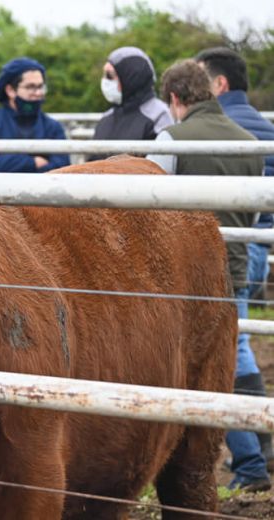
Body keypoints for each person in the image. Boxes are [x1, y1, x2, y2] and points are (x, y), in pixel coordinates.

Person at [146, 59, 270, 491]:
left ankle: (252, 458)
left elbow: (146, 206)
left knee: (211, 361)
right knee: (235, 348)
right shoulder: (248, 140)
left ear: (175, 99)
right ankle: (260, 441)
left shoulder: (171, 138)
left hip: (183, 272)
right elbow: (253, 211)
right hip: (237, 258)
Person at [195, 46, 274, 473]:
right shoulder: (263, 126)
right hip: (258, 244)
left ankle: (255, 449)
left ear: (219, 84)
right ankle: (259, 443)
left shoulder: (221, 127)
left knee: (232, 346)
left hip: (227, 250)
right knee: (237, 341)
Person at [0, 57, 70, 173]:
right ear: (10, 90)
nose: (38, 93)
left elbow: (62, 166)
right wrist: (34, 162)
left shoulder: (52, 126)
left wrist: (10, 164)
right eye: (30, 87)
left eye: (41, 87)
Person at [90, 47, 172, 160]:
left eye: (109, 76)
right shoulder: (107, 118)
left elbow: (161, 165)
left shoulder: (160, 116)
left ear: (130, 77)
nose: (105, 81)